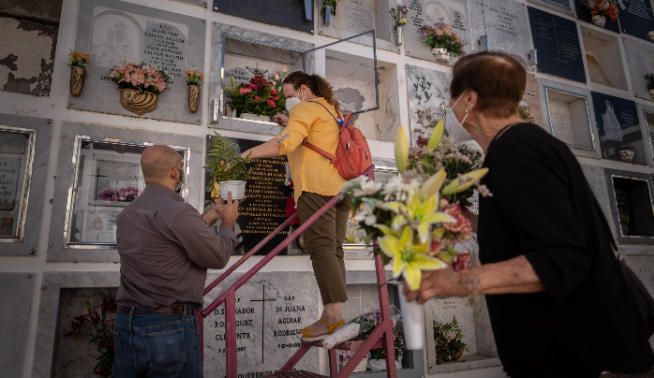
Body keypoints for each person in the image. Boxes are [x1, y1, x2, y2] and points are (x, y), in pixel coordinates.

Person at [404, 52, 654, 377]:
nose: (449, 108)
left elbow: (560, 259)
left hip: (581, 357)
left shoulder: (516, 150)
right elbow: (536, 234)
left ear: (469, 99)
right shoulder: (526, 144)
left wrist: (452, 281)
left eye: (452, 98)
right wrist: (467, 219)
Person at [113, 145, 239, 378]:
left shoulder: (128, 214)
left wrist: (212, 215)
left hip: (127, 323)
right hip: (167, 328)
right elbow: (217, 255)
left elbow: (172, 241)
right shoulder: (178, 211)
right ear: (174, 173)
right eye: (180, 168)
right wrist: (228, 224)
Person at [240, 71, 349, 341]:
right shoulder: (332, 109)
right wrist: (290, 121)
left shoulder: (306, 108)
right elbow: (315, 138)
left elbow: (285, 144)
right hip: (343, 190)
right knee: (334, 248)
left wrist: (244, 156)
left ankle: (333, 317)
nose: (289, 101)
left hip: (316, 188)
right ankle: (332, 313)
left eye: (289, 95)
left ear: (303, 90)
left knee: (320, 247)